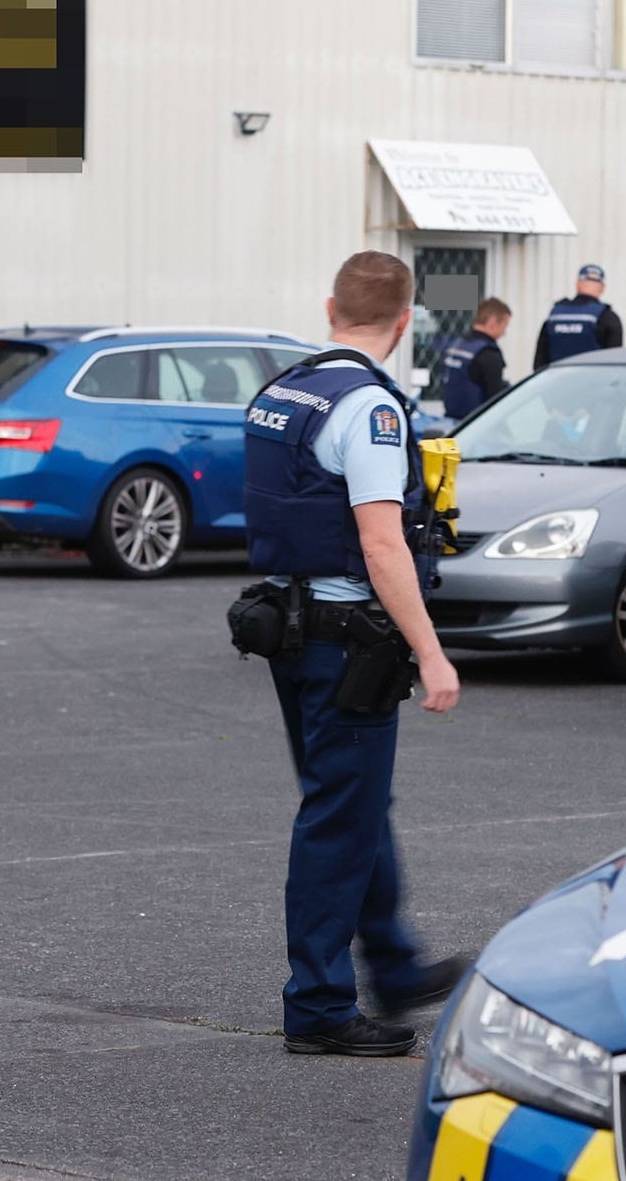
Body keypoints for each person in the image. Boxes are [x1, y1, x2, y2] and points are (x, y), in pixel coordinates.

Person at [239, 251, 467, 1057]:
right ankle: (321, 1006)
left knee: (353, 801)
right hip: (345, 640)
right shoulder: (368, 407)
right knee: (339, 818)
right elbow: (381, 540)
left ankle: (395, 965)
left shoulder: (284, 388)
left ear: (330, 305)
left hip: (287, 627)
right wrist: (431, 652)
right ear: (404, 323)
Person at [433, 297, 511, 421]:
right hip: (474, 428)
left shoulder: (456, 345)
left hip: (451, 424)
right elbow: (495, 402)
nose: (504, 332)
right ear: (493, 322)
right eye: (505, 325)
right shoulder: (488, 354)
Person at [533, 263, 622, 371]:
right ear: (602, 288)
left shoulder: (555, 316)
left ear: (577, 284)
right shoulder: (608, 317)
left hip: (557, 384)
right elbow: (615, 363)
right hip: (591, 384)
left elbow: (539, 363)